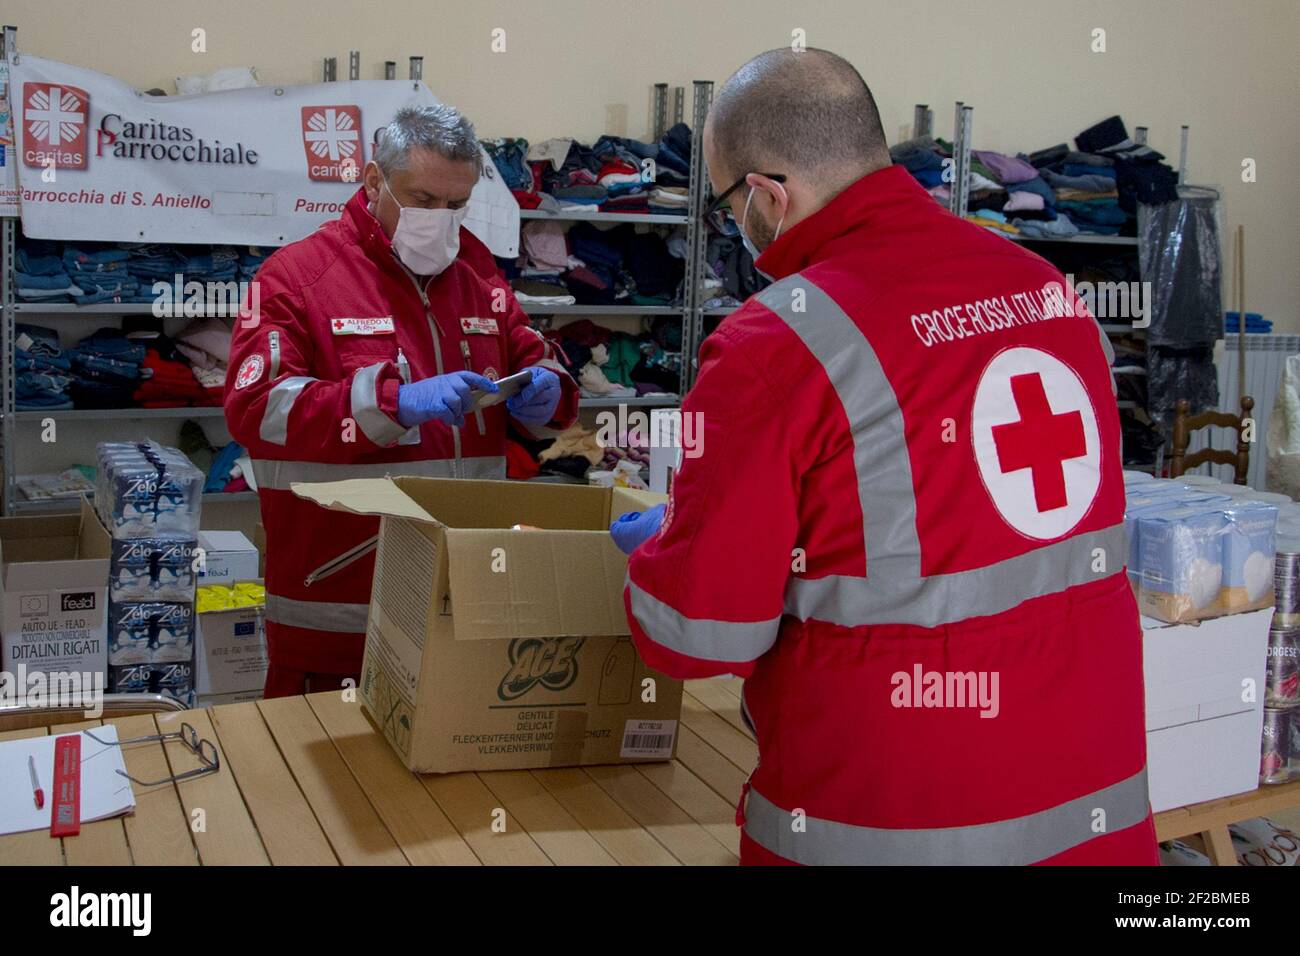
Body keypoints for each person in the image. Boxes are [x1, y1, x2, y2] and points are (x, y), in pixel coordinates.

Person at [611, 48, 1157, 865]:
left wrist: (665, 549)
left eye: (727, 204)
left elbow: (703, 637)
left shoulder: (777, 342)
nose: (736, 224)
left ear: (766, 194)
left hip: (891, 821)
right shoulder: (1047, 290)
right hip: (1092, 811)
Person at [226, 105, 577, 698]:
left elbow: (530, 350)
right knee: (315, 788)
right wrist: (391, 404)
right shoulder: (296, 276)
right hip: (338, 609)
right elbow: (258, 410)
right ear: (372, 182)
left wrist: (549, 387)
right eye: (423, 199)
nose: (440, 220)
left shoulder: (476, 270)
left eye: (456, 205)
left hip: (463, 598)